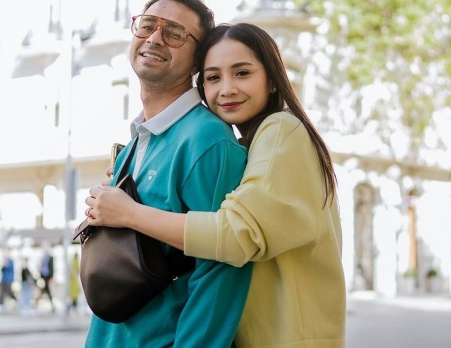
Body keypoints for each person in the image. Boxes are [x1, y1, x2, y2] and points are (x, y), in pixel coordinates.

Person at [86, 22, 346, 347]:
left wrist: (129, 214)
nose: (227, 89)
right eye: (213, 77)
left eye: (242, 73)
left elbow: (237, 235)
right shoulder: (252, 145)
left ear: (273, 80)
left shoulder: (282, 129)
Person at [83, 0, 252, 347]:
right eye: (147, 25)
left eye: (175, 33)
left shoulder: (207, 139)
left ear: (196, 61)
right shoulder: (135, 139)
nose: (155, 38)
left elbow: (222, 269)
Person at [36, 241, 55, 311]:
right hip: (43, 276)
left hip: (48, 276)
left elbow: (52, 268)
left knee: (45, 291)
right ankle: (37, 303)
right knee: (44, 291)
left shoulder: (50, 257)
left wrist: (51, 277)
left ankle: (36, 303)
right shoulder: (43, 257)